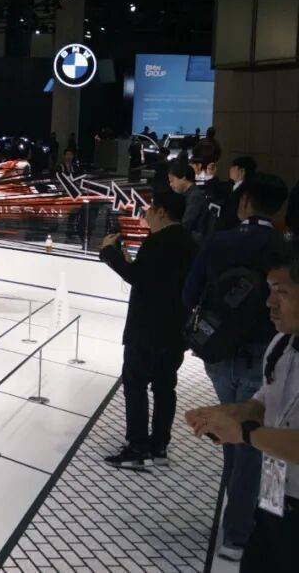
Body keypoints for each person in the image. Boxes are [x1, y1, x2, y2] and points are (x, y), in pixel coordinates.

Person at [182, 173, 291, 561]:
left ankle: (236, 517)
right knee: (250, 444)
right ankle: (238, 532)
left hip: (218, 355)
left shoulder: (219, 240)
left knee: (235, 438)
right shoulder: (282, 248)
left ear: (244, 202)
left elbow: (189, 294)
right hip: (264, 358)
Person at [99, 190, 196, 470]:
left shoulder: (157, 242)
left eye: (151, 209)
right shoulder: (191, 243)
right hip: (175, 330)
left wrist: (109, 253)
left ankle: (137, 447)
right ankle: (159, 446)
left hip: (146, 329)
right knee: (165, 387)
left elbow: (138, 277)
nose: (147, 213)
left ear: (162, 211)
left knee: (136, 385)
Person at [169, 161, 213, 247]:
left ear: (183, 178)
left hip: (195, 243)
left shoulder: (195, 196)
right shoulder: (189, 194)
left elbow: (186, 223)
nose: (171, 184)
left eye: (172, 180)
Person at [219, 156, 257, 232]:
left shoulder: (245, 191)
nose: (230, 170)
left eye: (233, 167)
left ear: (241, 171)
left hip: (233, 230)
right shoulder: (229, 186)